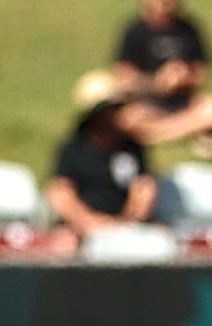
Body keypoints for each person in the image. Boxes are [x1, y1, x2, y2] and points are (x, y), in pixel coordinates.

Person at [110, 0, 212, 145]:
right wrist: (157, 82)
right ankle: (185, 131)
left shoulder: (189, 29)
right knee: (125, 119)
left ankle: (159, 134)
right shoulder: (135, 30)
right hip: (149, 103)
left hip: (184, 102)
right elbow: (123, 76)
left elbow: (202, 73)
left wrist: (183, 77)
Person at [48, 69, 157, 255]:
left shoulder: (132, 147)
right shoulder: (73, 149)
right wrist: (89, 223)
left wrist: (126, 222)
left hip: (124, 224)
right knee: (64, 244)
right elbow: (61, 194)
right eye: (113, 108)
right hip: (80, 228)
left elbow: (144, 189)